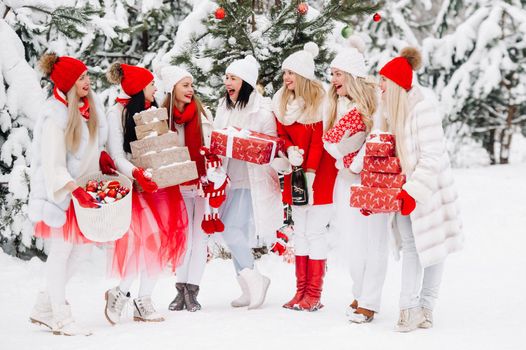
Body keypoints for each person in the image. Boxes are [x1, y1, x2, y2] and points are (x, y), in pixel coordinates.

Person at [378, 47, 462, 332]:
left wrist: (413, 191)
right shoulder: (390, 112)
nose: (380, 89)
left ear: (397, 85)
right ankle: (410, 307)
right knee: (413, 246)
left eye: (384, 84)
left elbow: (433, 156)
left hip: (429, 190)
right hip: (403, 189)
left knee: (433, 246)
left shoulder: (423, 109)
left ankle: (422, 307)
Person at [27, 53, 108, 336]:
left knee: (82, 251)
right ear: (69, 83)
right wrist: (74, 190)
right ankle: (60, 316)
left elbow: (89, 148)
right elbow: (53, 165)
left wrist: (103, 159)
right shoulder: (55, 116)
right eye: (81, 78)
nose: (88, 81)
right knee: (61, 253)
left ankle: (44, 305)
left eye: (87, 76)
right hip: (61, 193)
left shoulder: (88, 107)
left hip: (83, 191)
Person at [103, 62, 188, 324]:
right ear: (140, 88)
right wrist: (136, 173)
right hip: (135, 185)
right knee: (141, 241)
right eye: (151, 84)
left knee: (158, 241)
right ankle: (121, 291)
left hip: (159, 185)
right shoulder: (116, 113)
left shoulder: (153, 111)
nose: (155, 88)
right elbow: (117, 156)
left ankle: (144, 298)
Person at [323, 37, 389, 323]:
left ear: (351, 75)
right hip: (346, 179)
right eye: (332, 73)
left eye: (338, 73)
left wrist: (357, 156)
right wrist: (341, 154)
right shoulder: (336, 105)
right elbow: (329, 141)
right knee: (352, 241)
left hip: (373, 182)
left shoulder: (376, 106)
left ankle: (370, 301)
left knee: (373, 240)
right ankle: (360, 291)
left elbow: (379, 140)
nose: (333, 79)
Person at [272, 43, 338, 311]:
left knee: (315, 232)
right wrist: (288, 150)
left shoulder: (321, 103)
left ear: (304, 77)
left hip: (319, 173)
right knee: (300, 232)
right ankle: (300, 292)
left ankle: (314, 293)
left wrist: (308, 169)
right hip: (294, 172)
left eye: (292, 73)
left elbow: (319, 142)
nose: (286, 78)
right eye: (285, 72)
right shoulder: (281, 102)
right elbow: (281, 134)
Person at [213, 55, 283, 310]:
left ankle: (256, 279)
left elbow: (272, 148)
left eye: (232, 78)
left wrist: (248, 145)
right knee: (235, 232)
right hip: (229, 179)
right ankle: (247, 286)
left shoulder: (262, 112)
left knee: (230, 230)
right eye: (226, 78)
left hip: (252, 181)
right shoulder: (224, 106)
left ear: (245, 82)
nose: (227, 82)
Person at [157, 65, 213, 312]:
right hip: (176, 187)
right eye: (185, 85)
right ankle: (180, 289)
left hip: (200, 185)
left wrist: (208, 173)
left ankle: (193, 290)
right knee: (184, 239)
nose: (190, 90)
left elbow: (212, 147)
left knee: (199, 240)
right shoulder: (162, 118)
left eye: (191, 85)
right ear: (173, 89)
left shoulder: (201, 113)